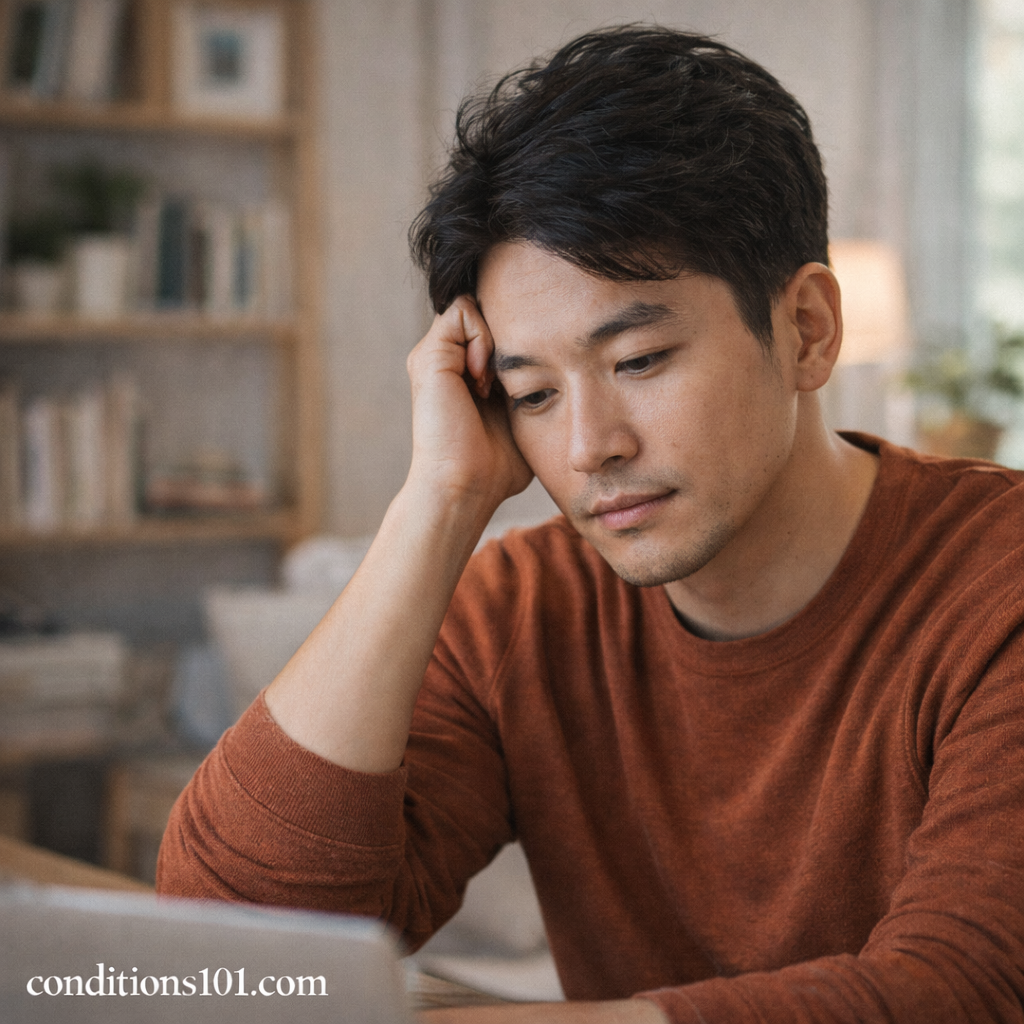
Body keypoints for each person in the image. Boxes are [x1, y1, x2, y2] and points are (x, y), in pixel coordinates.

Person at [157, 26, 1024, 1024]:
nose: (586, 447)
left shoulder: (994, 586)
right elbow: (229, 952)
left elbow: (966, 992)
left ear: (808, 330)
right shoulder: (525, 612)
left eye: (640, 360)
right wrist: (435, 504)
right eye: (528, 392)